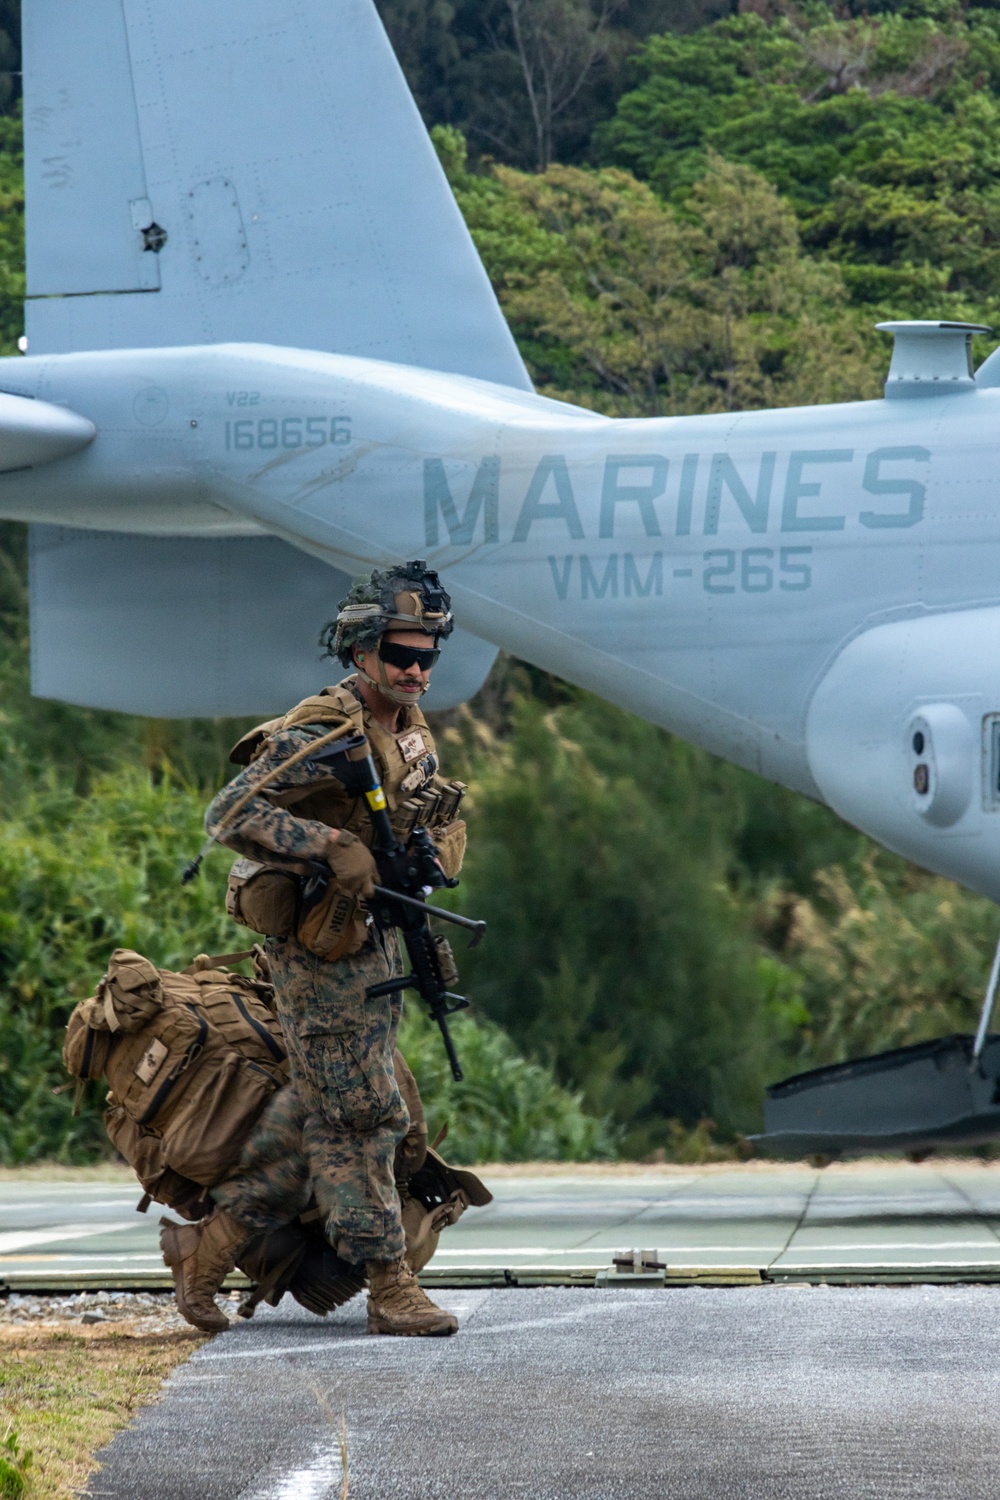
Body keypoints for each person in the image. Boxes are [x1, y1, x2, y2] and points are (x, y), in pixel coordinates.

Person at [160, 562, 465, 1337]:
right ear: (361, 651)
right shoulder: (324, 728)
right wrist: (328, 841)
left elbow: (418, 820)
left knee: (319, 1111)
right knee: (362, 1117)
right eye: (400, 652)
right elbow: (227, 811)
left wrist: (431, 852)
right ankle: (390, 1284)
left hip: (376, 945)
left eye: (428, 653)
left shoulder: (409, 726)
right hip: (319, 950)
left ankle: (207, 1249)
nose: (415, 669)